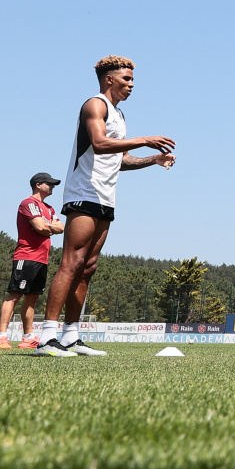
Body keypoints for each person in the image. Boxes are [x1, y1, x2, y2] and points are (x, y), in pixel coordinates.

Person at [38, 56, 176, 358]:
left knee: (88, 267)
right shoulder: (95, 105)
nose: (131, 84)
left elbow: (120, 159)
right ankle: (47, 338)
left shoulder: (119, 115)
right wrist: (145, 140)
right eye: (126, 79)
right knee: (71, 263)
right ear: (109, 79)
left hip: (105, 197)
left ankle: (71, 337)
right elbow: (100, 144)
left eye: (132, 79)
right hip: (83, 193)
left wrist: (153, 160)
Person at [1, 174, 66, 350]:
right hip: (26, 256)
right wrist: (49, 228)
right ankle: (2, 337)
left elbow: (60, 227)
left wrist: (48, 229)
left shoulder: (49, 208)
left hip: (42, 259)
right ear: (38, 185)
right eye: (49, 183)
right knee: (14, 295)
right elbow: (40, 227)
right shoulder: (28, 203)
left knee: (32, 298)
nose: (53, 186)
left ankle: (28, 338)